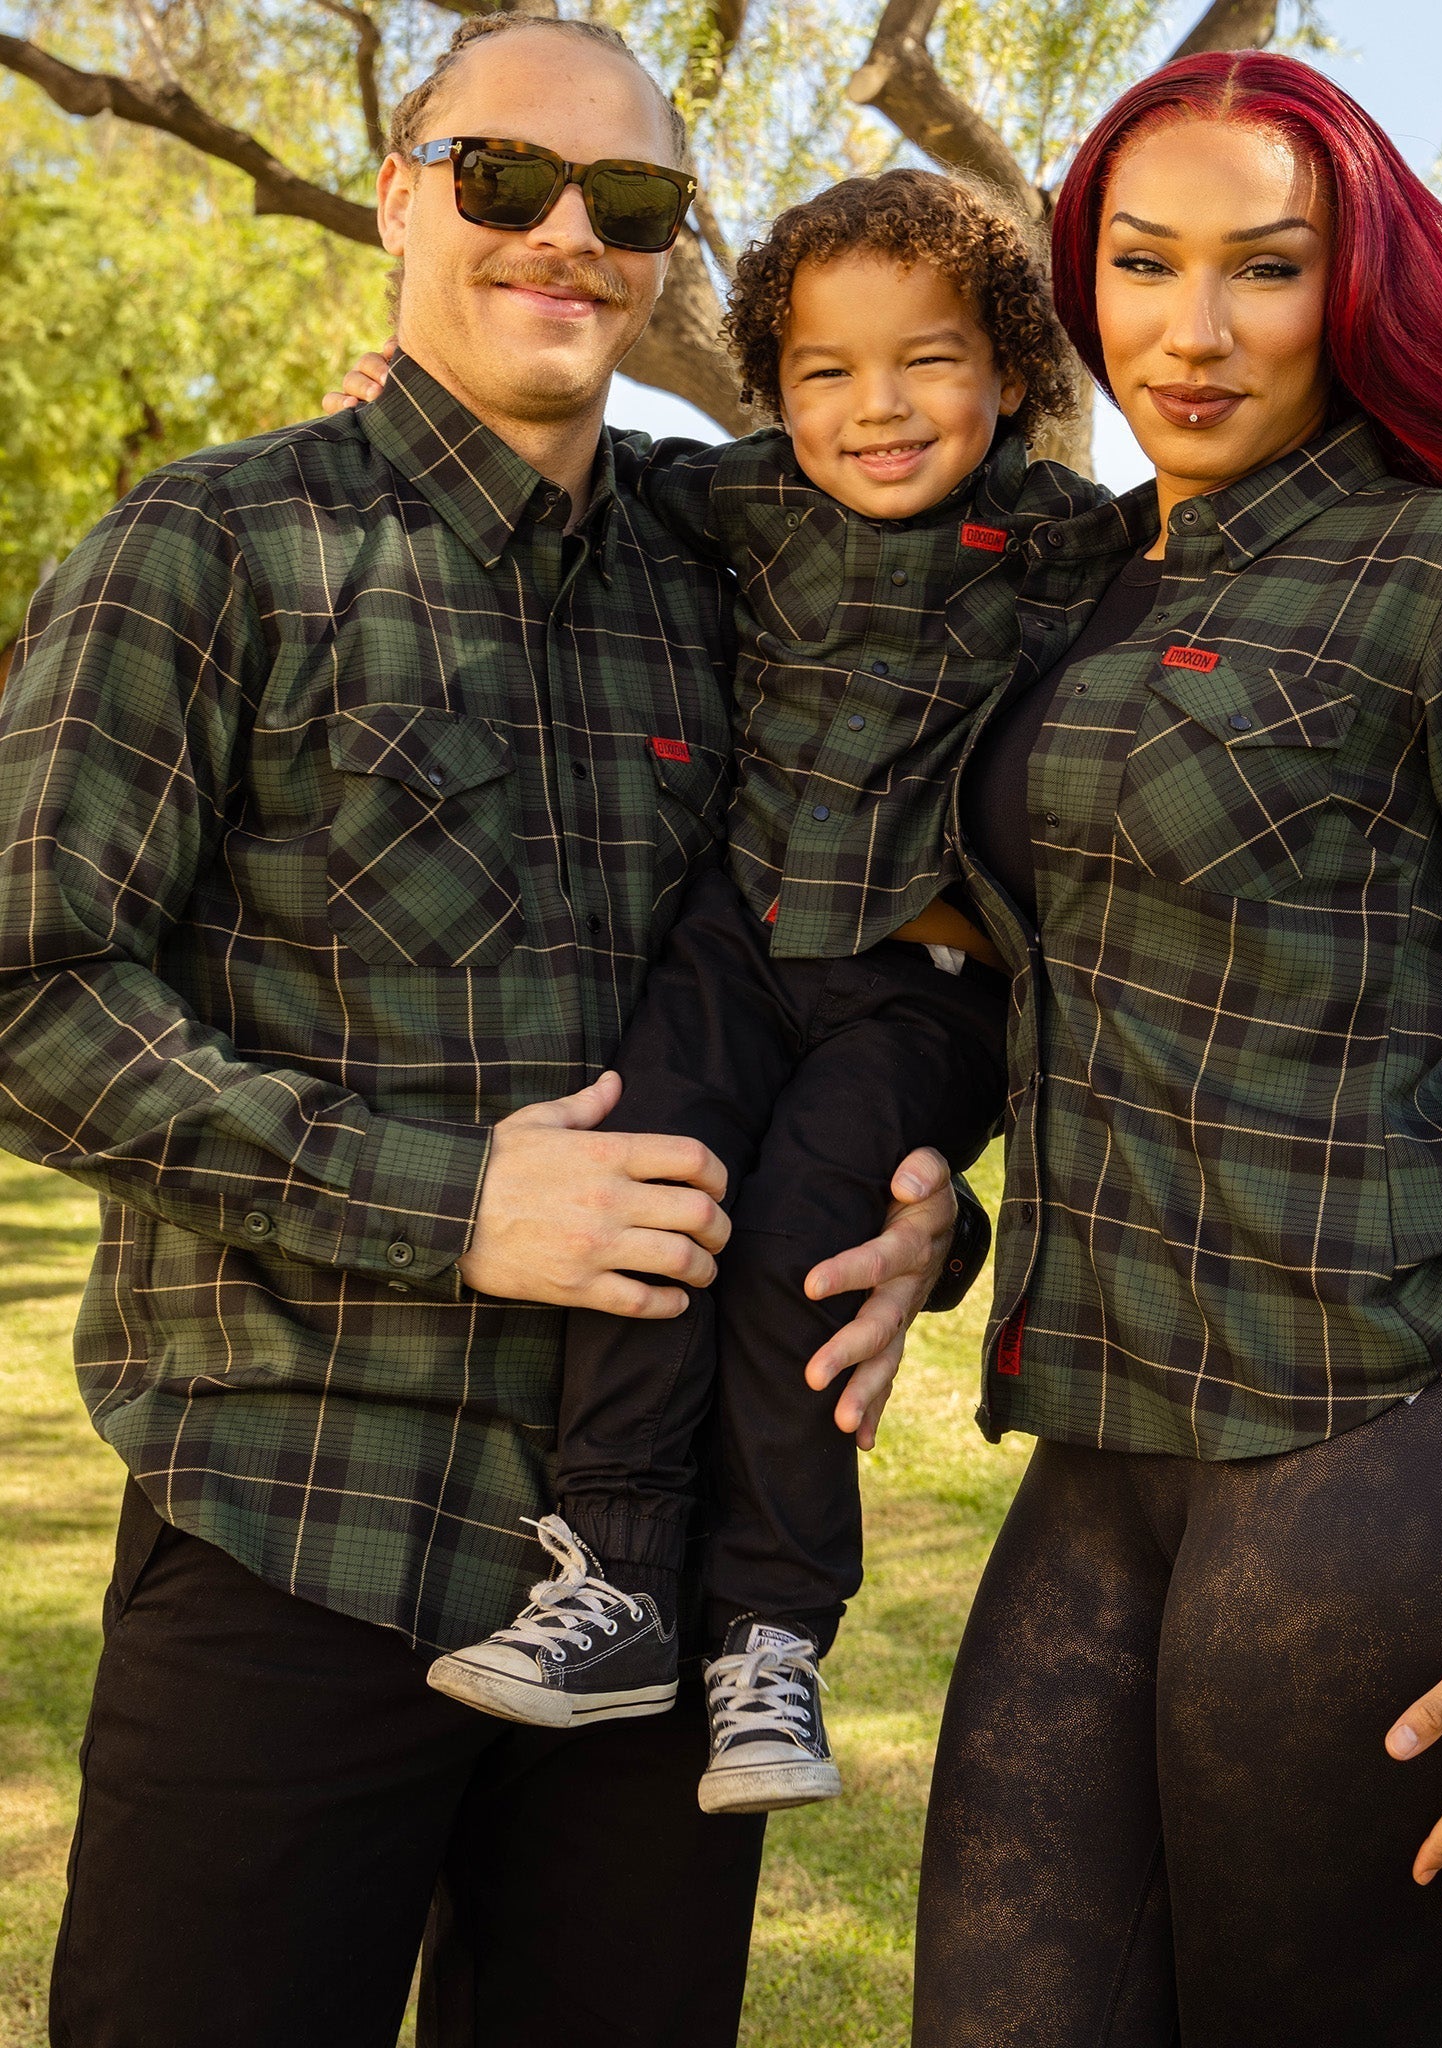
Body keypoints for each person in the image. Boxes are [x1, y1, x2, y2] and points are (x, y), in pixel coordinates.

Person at [0, 18, 968, 2048]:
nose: (565, 233)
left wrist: (920, 1219)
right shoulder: (214, 548)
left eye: (633, 201)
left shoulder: (741, 564)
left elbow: (881, 912)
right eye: (504, 176)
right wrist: (450, 1203)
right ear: (397, 196)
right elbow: (33, 987)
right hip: (300, 1528)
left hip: (658, 1593)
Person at [912, 50, 1442, 2048]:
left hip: (1381, 1446)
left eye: (1267, 266)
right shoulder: (1074, 573)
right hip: (1099, 1444)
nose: (1195, 330)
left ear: (1355, 285)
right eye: (1143, 263)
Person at [331, 168, 1105, 1816]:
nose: (875, 407)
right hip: (738, 942)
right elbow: (560, 469)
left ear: (1012, 370)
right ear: (772, 390)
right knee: (650, 1185)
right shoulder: (735, 500)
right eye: (825, 371)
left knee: (800, 1238)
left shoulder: (1069, 540)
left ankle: (768, 1633)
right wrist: (397, 411)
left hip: (924, 981)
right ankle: (613, 1576)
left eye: (929, 361)